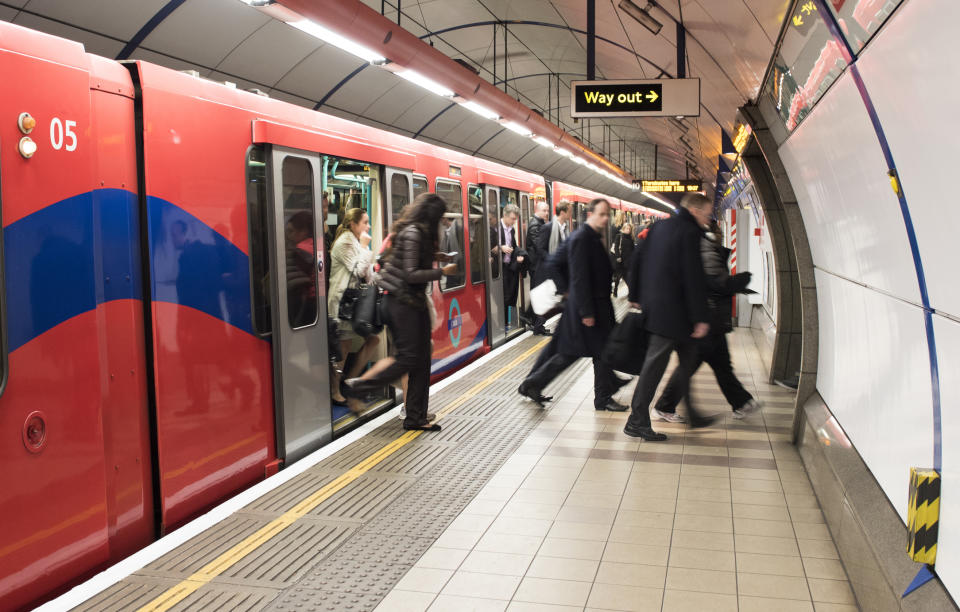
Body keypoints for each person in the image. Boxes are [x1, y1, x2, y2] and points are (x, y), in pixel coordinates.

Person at [343, 193, 458, 431]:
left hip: (411, 302)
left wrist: (436, 257)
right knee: (408, 358)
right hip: (401, 303)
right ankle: (360, 387)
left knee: (422, 358)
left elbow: (411, 262)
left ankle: (416, 417)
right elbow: (411, 274)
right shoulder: (415, 232)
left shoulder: (414, 232)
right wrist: (442, 272)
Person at [518, 198, 627, 412]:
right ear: (590, 214)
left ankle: (605, 394)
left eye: (608, 215)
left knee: (596, 352)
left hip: (590, 307)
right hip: (586, 309)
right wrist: (577, 301)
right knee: (571, 354)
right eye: (602, 214)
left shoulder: (590, 237)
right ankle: (533, 383)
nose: (606, 218)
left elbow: (559, 264)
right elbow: (579, 276)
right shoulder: (582, 238)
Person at [623, 192, 716, 441]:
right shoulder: (690, 232)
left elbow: (637, 259)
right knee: (654, 368)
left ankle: (691, 414)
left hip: (660, 309)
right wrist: (700, 317)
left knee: (687, 363)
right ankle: (636, 421)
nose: (708, 220)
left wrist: (634, 293)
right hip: (674, 315)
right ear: (695, 211)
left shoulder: (660, 226)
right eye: (707, 215)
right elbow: (692, 276)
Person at [653, 222, 762, 418]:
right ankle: (664, 405)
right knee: (695, 365)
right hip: (706, 319)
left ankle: (741, 402)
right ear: (710, 233)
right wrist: (741, 280)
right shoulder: (706, 249)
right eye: (718, 230)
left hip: (711, 319)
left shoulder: (707, 249)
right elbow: (717, 283)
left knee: (720, 365)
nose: (721, 233)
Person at [328, 208, 381, 406]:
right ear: (353, 224)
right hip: (342, 303)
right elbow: (359, 270)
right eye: (365, 222)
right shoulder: (345, 242)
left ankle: (349, 381)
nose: (368, 226)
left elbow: (367, 273)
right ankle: (336, 389)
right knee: (342, 348)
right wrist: (366, 248)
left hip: (354, 303)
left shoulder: (355, 242)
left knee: (372, 340)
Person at [524, 201, 550, 334]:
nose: (546, 213)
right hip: (536, 266)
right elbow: (539, 246)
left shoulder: (538, 223)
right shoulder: (535, 225)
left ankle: (534, 321)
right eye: (544, 210)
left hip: (537, 265)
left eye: (547, 211)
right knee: (540, 294)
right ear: (537, 210)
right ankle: (536, 324)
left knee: (538, 293)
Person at [498, 204, 526, 325]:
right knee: (503, 297)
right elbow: (487, 245)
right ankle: (503, 324)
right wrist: (500, 247)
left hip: (509, 266)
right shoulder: (496, 228)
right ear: (505, 215)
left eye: (516, 219)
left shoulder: (512, 229)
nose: (514, 222)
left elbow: (513, 246)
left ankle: (508, 322)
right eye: (512, 219)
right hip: (499, 268)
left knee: (510, 295)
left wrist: (519, 255)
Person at [611, 222, 634, 297]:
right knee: (618, 276)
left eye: (629, 229)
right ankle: (615, 289)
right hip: (620, 260)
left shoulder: (631, 238)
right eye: (627, 228)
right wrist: (618, 257)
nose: (628, 230)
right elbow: (616, 247)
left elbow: (632, 249)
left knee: (627, 277)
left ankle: (631, 291)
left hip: (628, 261)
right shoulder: (619, 236)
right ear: (623, 229)